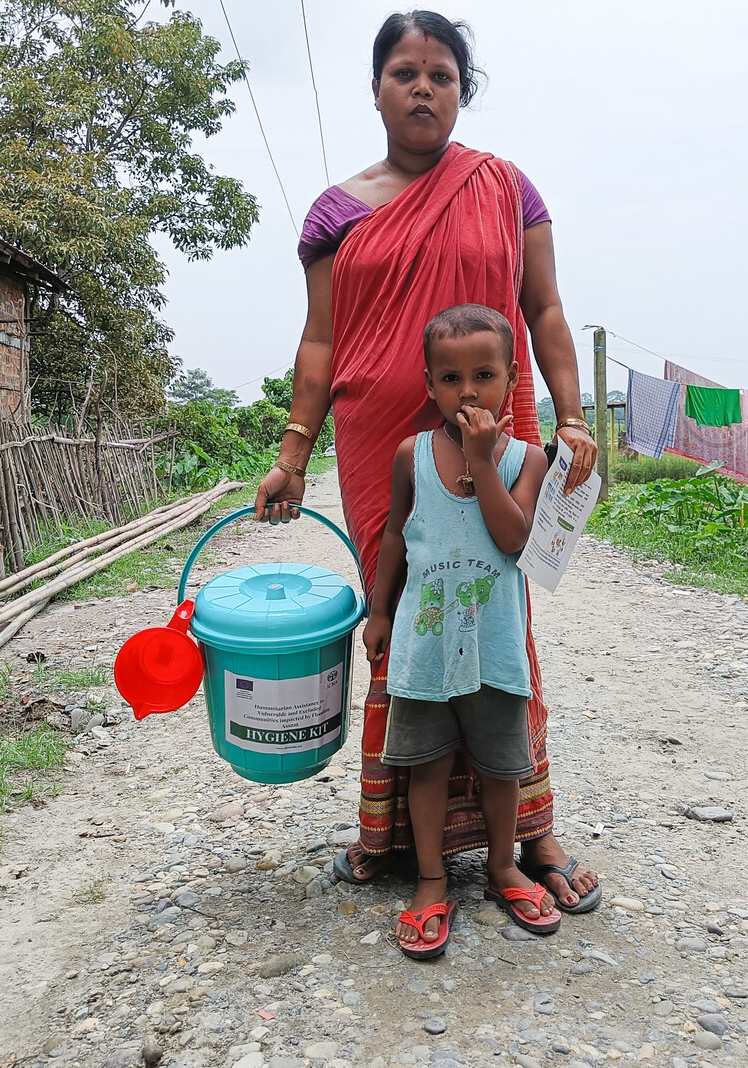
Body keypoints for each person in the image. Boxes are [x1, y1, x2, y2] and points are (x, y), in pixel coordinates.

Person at [253, 9, 601, 914]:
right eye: (404, 72)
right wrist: (293, 453)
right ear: (375, 90)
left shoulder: (505, 187)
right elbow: (321, 342)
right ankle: (392, 835)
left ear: (461, 91)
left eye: (441, 74)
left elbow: (547, 311)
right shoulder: (336, 213)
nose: (422, 87)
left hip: (497, 430)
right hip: (381, 440)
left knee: (498, 618)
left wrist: (571, 414)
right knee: (398, 616)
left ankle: (530, 830)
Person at [364, 304, 563, 958]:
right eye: (451, 379)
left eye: (484, 375)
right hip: (424, 649)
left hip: (496, 646)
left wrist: (483, 460)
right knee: (426, 765)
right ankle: (430, 879)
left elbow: (512, 540)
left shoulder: (526, 460)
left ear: (511, 381)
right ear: (429, 386)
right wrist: (380, 609)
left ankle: (505, 867)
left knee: (502, 767)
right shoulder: (411, 455)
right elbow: (394, 534)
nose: (468, 391)